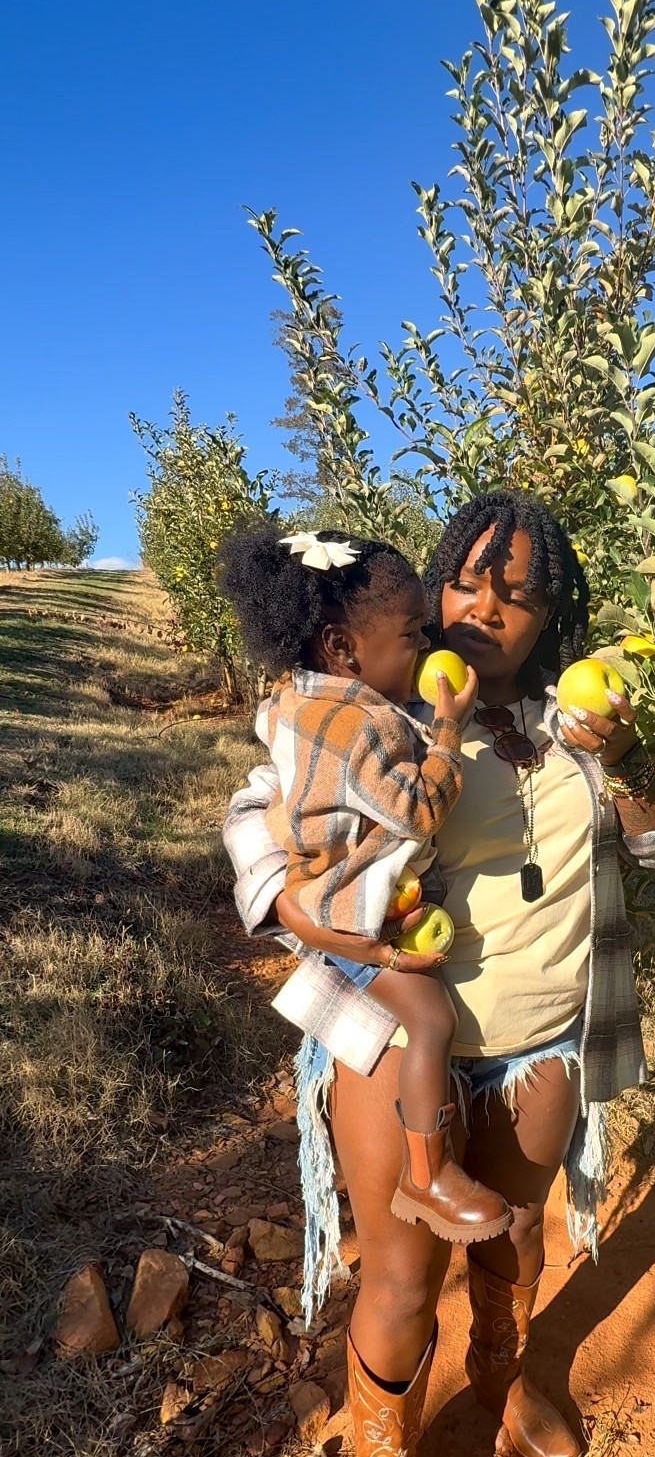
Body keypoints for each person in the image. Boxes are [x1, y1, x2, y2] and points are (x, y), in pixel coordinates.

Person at [224, 488, 655, 1457]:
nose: (485, 607)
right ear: (437, 587)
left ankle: (501, 1377)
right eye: (468, 581)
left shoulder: (579, 725)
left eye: (516, 594)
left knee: (516, 1238)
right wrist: (297, 912)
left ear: (551, 617)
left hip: (536, 1042)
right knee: (397, 1273)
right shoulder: (385, 706)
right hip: (397, 1042)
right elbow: (262, 814)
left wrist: (622, 758)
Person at [217, 521, 511, 1250]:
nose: (425, 648)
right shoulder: (366, 726)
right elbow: (416, 806)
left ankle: (425, 1167)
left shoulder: (298, 699)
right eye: (412, 636)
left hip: (323, 892)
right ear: (343, 647)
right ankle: (427, 1171)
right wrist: (445, 731)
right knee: (431, 1021)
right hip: (346, 912)